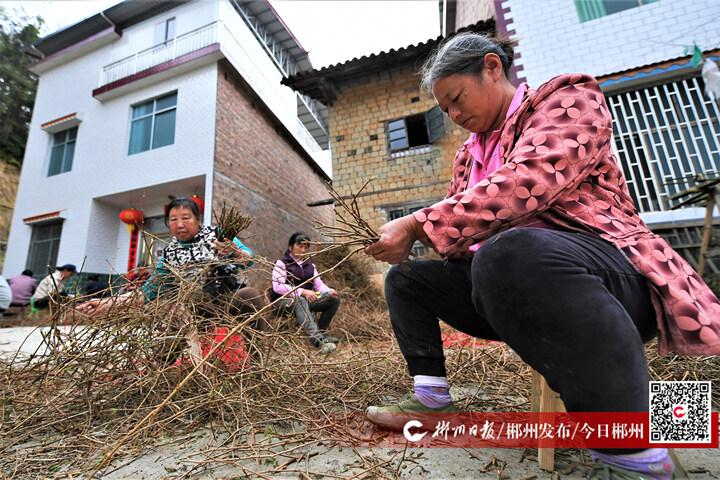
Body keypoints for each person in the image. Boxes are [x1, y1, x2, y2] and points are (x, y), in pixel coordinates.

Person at [363, 33, 720, 480]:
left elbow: (532, 180)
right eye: (445, 111)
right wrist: (415, 242)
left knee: (509, 251)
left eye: (457, 99)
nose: (454, 116)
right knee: (408, 278)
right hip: (513, 288)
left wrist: (418, 222)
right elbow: (462, 237)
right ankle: (432, 397)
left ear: (492, 68)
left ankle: (637, 460)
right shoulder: (468, 156)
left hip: (606, 271)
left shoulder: (567, 99)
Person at [77, 198, 267, 361]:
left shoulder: (217, 236)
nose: (180, 224)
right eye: (173, 219)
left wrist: (236, 252)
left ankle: (258, 361)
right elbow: (145, 293)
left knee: (249, 296)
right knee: (176, 315)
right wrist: (105, 303)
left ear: (198, 220)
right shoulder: (169, 255)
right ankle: (157, 371)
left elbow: (249, 259)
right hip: (195, 309)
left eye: (186, 218)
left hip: (226, 300)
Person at [271, 232, 341, 354]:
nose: (303, 250)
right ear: (291, 247)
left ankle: (322, 334)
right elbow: (278, 287)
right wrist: (302, 292)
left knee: (333, 298)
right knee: (300, 299)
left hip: (305, 301)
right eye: (300, 246)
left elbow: (318, 285)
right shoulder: (282, 263)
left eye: (306, 247)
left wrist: (328, 291)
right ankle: (318, 341)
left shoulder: (310, 266)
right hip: (283, 302)